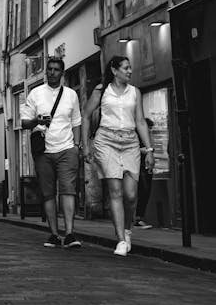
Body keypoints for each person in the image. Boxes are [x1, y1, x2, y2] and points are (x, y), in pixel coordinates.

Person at [81, 56, 155, 256]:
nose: (130, 71)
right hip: (106, 141)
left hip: (130, 142)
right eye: (126, 68)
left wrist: (149, 150)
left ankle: (127, 230)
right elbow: (86, 115)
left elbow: (140, 121)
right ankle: (121, 240)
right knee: (115, 191)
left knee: (131, 195)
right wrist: (85, 145)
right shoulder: (101, 90)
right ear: (114, 70)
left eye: (130, 68)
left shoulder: (135, 92)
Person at [20, 56, 82, 249]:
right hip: (43, 151)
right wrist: (38, 121)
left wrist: (77, 146)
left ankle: (70, 233)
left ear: (62, 73)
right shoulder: (35, 94)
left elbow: (77, 122)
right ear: (46, 71)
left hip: (66, 149)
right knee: (48, 194)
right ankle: (54, 234)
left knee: (67, 190)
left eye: (56, 69)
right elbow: (24, 122)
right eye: (49, 69)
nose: (52, 72)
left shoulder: (71, 94)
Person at [135, 117, 154, 229]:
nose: (150, 130)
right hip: (139, 166)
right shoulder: (137, 137)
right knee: (143, 190)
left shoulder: (148, 138)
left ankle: (139, 217)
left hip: (146, 167)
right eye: (149, 128)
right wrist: (146, 150)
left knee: (146, 191)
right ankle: (138, 218)